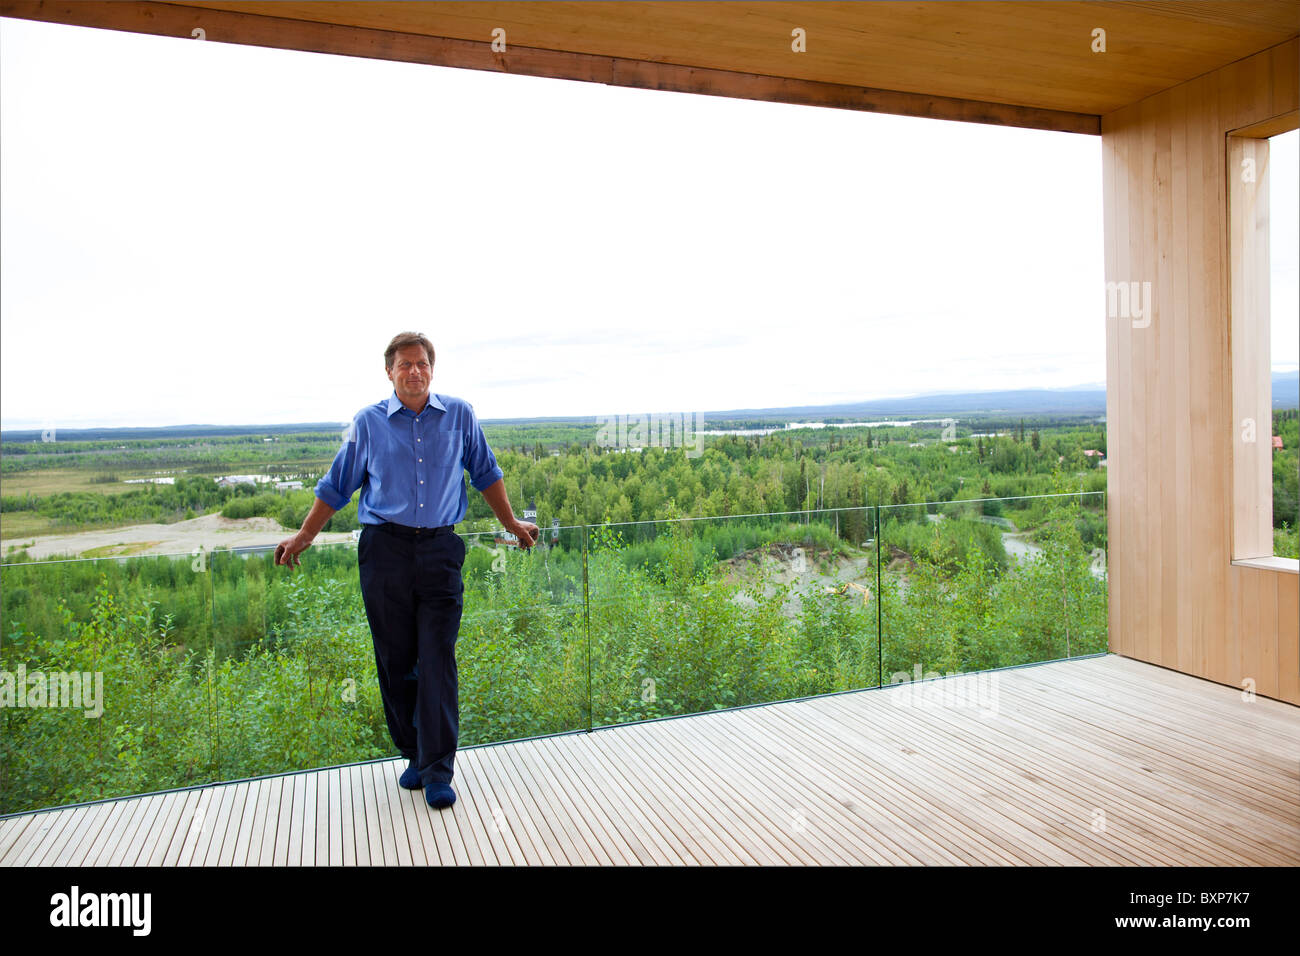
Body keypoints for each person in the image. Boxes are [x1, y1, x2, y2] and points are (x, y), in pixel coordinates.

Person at [274, 332, 538, 809]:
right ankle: (413, 753)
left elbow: (486, 473)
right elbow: (336, 487)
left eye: (422, 364)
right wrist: (303, 537)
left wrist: (512, 524)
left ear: (432, 370)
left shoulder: (460, 415)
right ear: (389, 372)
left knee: (437, 658)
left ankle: (438, 767)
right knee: (395, 660)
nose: (414, 371)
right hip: (385, 553)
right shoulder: (368, 423)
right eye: (404, 364)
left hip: (439, 551)